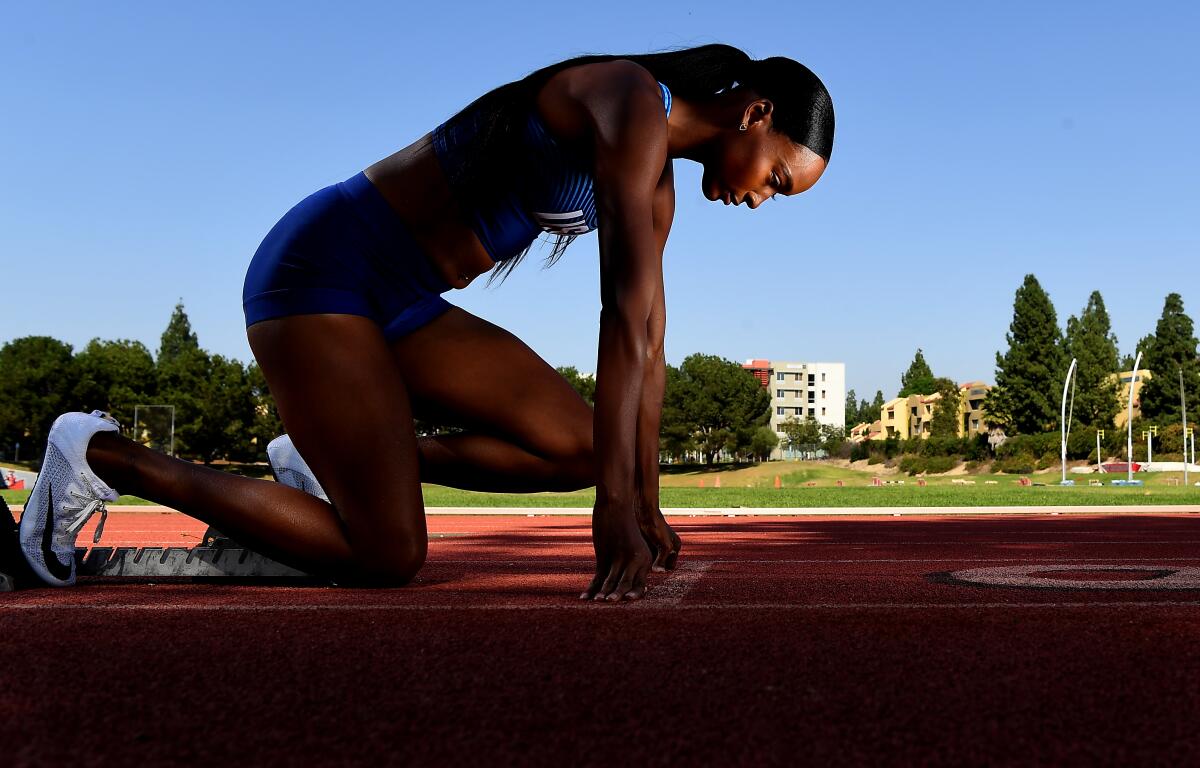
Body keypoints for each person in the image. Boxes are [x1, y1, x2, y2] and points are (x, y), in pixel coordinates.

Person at [14, 44, 833, 600]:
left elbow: (650, 343)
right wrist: (609, 508)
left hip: (401, 304)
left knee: (585, 445)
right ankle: (100, 453)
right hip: (323, 271)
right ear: (755, 114)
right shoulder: (626, 100)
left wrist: (643, 494)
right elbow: (619, 318)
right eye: (778, 180)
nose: (762, 197)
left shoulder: (658, 188)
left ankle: (321, 459)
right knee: (389, 557)